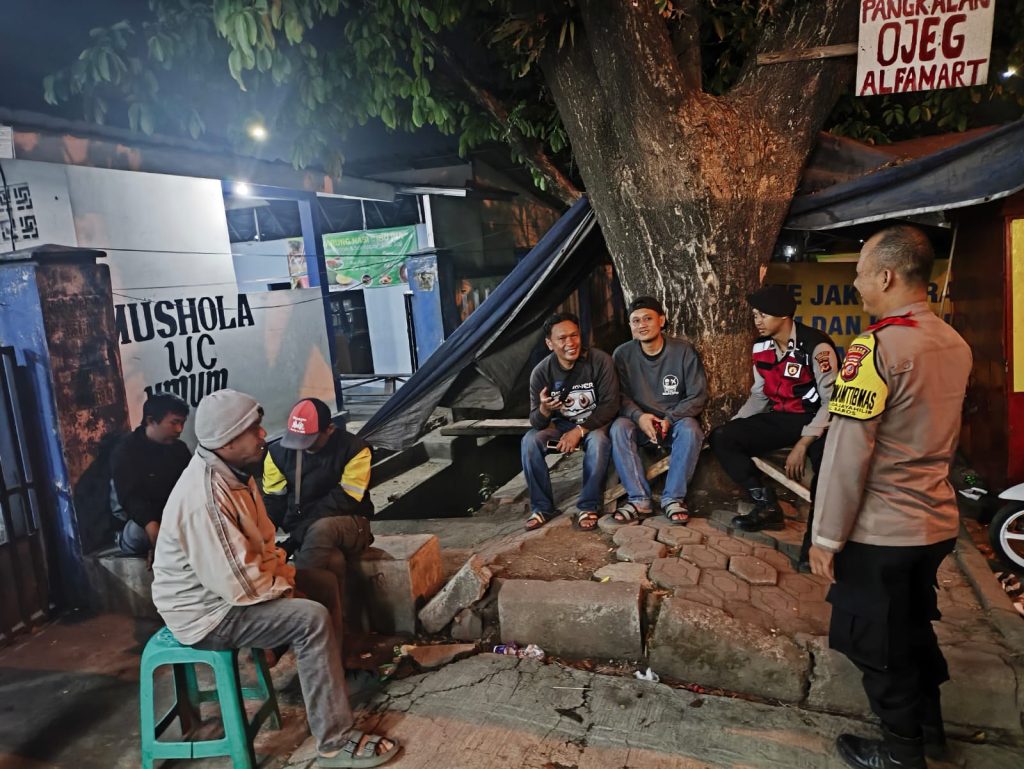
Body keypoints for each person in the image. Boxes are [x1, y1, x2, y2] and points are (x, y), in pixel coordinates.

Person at [152, 389, 399, 768]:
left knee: (322, 582)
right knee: (309, 618)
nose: (264, 435)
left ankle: (329, 677)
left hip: (231, 591)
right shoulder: (206, 499)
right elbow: (242, 586)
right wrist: (287, 587)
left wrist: (288, 577)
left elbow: (265, 543)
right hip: (208, 613)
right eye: (254, 430)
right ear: (228, 441)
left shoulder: (237, 472)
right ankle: (333, 741)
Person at [810, 226, 971, 769]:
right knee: (910, 624)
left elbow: (847, 452)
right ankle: (931, 730)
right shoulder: (954, 342)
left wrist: (826, 536)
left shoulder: (875, 347)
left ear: (886, 275)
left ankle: (903, 755)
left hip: (882, 529)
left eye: (859, 272)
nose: (855, 283)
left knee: (874, 642)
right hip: (935, 524)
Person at [708, 284, 838, 558]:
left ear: (783, 316)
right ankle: (766, 504)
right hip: (782, 418)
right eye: (755, 315)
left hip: (816, 420)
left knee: (826, 466)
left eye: (763, 315)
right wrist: (737, 425)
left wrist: (804, 444)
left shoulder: (817, 346)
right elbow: (759, 396)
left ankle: (815, 545)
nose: (757, 321)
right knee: (722, 436)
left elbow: (831, 402)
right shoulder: (761, 347)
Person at [262, 398, 374, 614]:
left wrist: (292, 543)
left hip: (351, 524)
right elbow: (273, 500)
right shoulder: (276, 453)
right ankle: (338, 631)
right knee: (333, 562)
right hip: (307, 533)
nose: (301, 447)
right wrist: (262, 541)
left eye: (309, 440)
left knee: (323, 528)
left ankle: (297, 613)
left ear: (329, 429)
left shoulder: (356, 450)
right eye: (296, 440)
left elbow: (345, 500)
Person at [607, 296, 707, 526]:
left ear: (661, 320)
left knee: (691, 429)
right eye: (635, 321)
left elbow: (697, 395)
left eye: (647, 318)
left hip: (674, 421)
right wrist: (639, 417)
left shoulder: (682, 351)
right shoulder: (622, 354)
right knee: (619, 427)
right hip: (640, 421)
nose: (641, 325)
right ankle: (639, 499)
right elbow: (618, 396)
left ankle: (673, 498)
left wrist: (670, 419)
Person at [522, 312, 618, 531]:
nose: (570, 343)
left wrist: (579, 431)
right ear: (549, 343)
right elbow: (536, 422)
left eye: (574, 336)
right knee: (530, 442)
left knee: (599, 442)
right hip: (561, 425)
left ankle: (588, 505)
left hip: (595, 422)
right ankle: (542, 507)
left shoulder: (600, 361)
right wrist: (545, 410)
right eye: (562, 338)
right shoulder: (541, 373)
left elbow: (610, 405)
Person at [110, 393, 191, 562]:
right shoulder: (126, 451)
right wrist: (159, 543)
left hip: (172, 519)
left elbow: (192, 490)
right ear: (151, 421)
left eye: (182, 423)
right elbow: (132, 500)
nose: (179, 429)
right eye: (174, 422)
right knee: (140, 532)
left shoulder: (179, 449)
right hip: (140, 522)